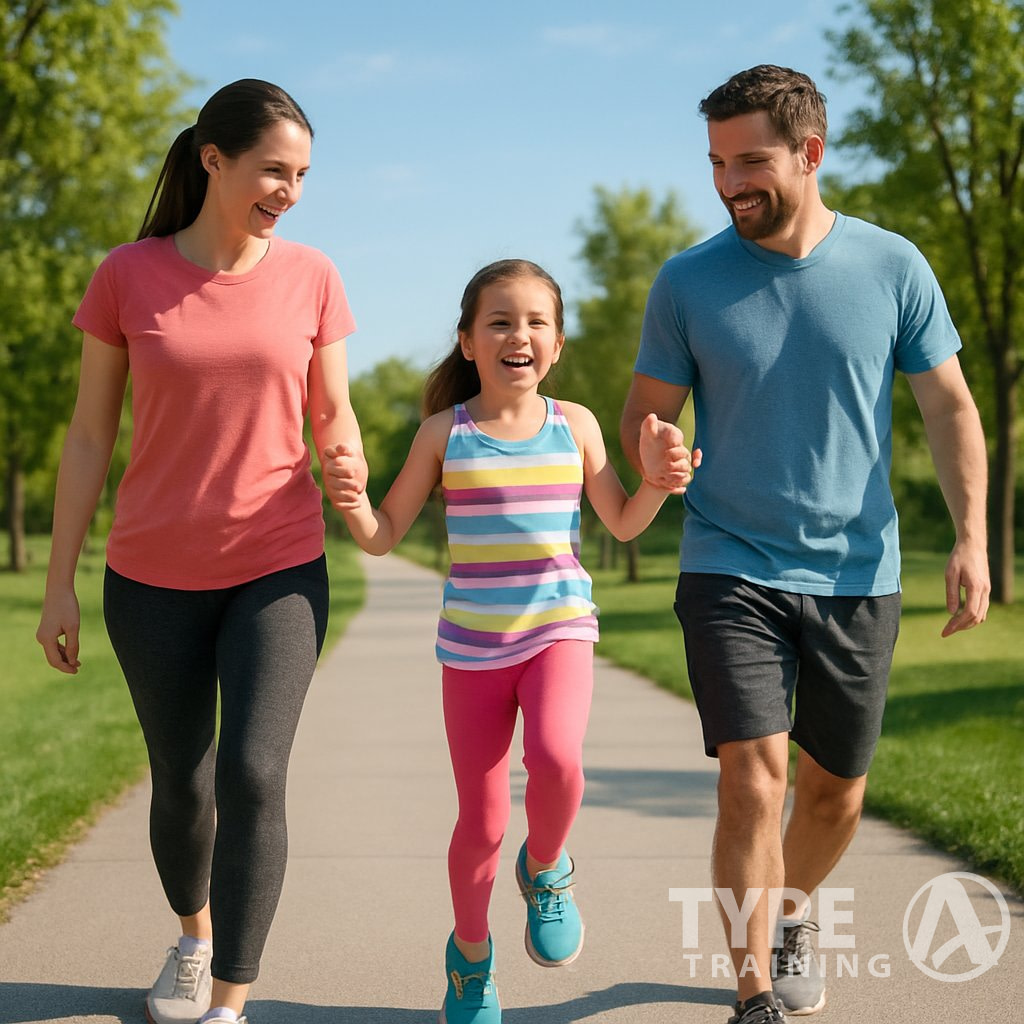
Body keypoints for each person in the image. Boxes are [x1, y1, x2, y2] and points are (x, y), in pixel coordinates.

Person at [620, 65, 990, 1024]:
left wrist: (972, 536)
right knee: (754, 771)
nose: (728, 181)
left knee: (836, 795)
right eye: (714, 162)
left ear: (810, 154)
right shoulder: (687, 280)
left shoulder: (893, 266)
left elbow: (949, 404)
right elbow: (645, 414)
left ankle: (792, 916)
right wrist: (655, 450)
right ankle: (751, 995)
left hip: (858, 571)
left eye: (749, 161)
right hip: (728, 558)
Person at [35, 79, 365, 1024]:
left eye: (302, 175)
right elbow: (90, 435)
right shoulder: (127, 275)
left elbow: (332, 411)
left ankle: (230, 1001)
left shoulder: (313, 275)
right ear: (214, 160)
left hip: (279, 563)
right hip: (150, 576)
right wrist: (58, 583)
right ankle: (194, 937)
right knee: (182, 781)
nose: (289, 191)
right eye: (273, 170)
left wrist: (348, 466)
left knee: (253, 773)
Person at [323, 258, 688, 1024]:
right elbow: (384, 535)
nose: (517, 334)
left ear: (556, 345)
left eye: (534, 323)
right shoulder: (441, 434)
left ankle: (548, 867)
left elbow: (621, 521)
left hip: (558, 630)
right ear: (467, 342)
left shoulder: (577, 424)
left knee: (557, 759)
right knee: (482, 822)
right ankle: (471, 959)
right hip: (472, 650)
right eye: (499, 321)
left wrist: (655, 480)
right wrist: (352, 501)